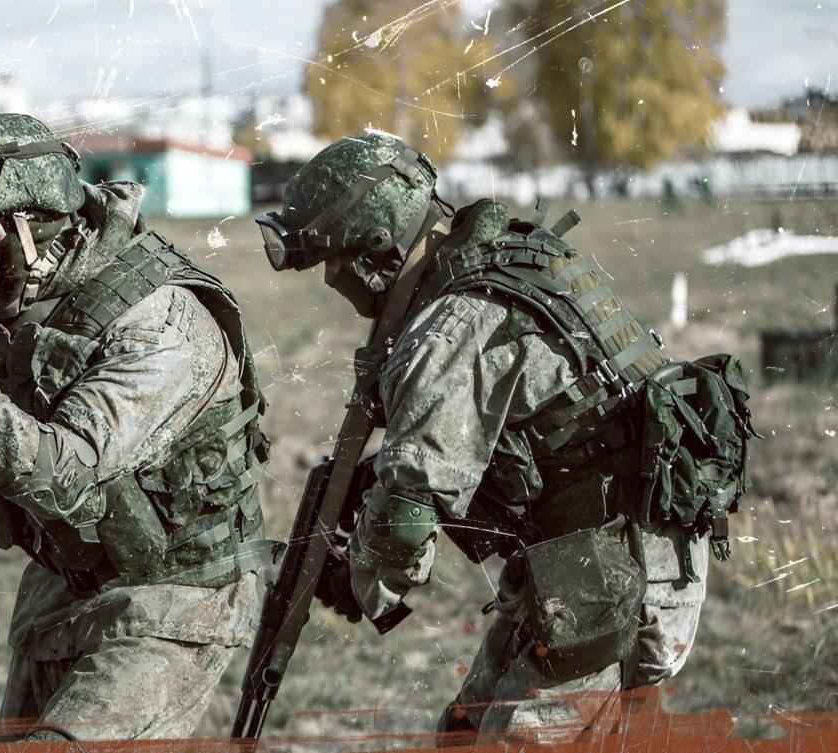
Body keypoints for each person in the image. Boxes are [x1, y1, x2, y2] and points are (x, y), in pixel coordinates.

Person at [254, 130, 752, 744]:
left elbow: (408, 516)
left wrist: (355, 575)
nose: (330, 277)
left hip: (614, 579)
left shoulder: (449, 328)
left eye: (332, 260)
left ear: (374, 249)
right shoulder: (508, 258)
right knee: (464, 737)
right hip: (596, 563)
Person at [0, 112, 277, 740]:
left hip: (170, 599)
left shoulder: (158, 323)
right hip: (64, 583)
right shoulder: (28, 299)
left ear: (40, 225)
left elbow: (64, 471)